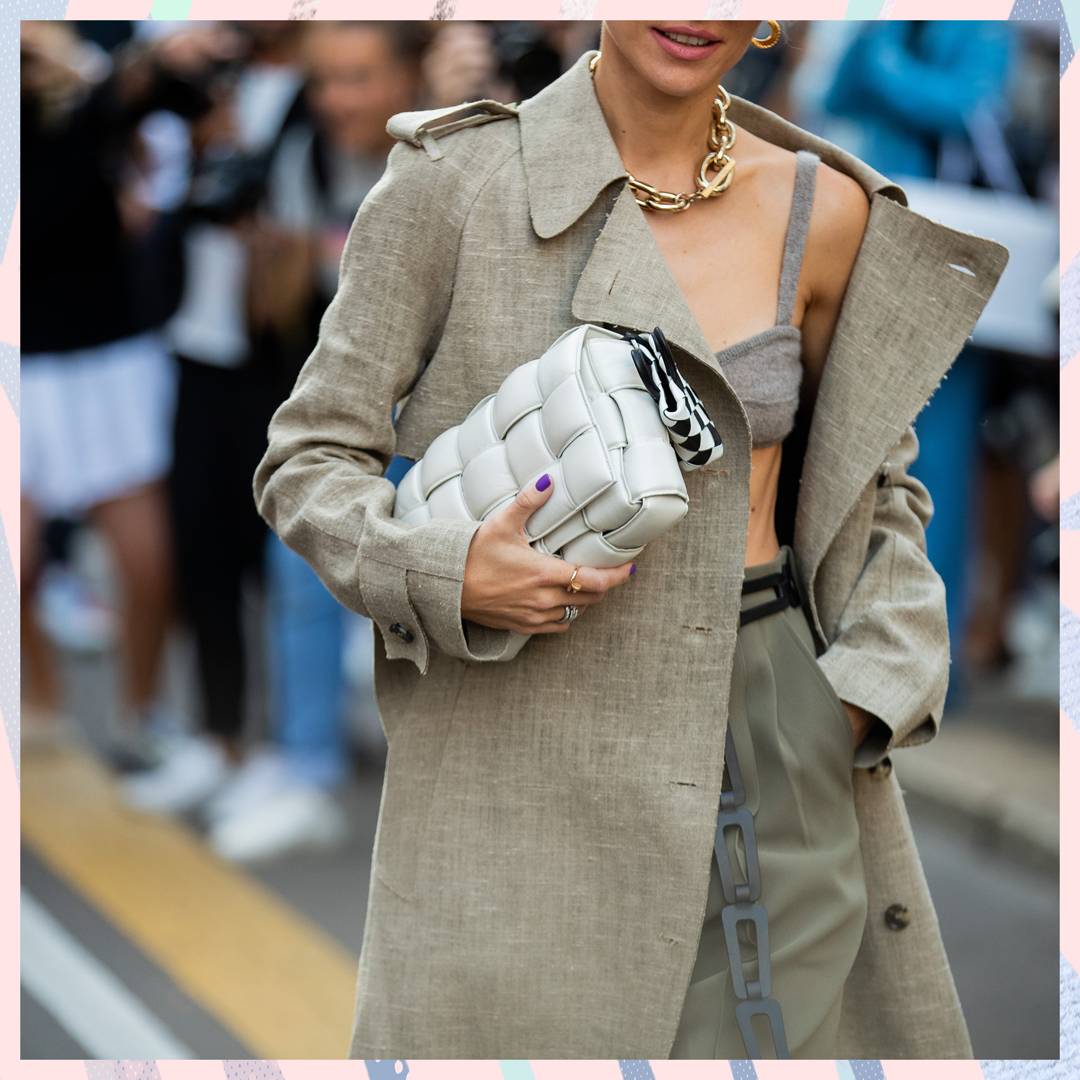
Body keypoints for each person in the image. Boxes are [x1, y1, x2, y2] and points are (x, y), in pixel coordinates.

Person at [253, 20, 1007, 1059]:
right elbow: (307, 460)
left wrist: (863, 695)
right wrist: (447, 569)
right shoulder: (454, 184)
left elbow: (878, 493)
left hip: (778, 726)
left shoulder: (819, 208)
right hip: (524, 745)